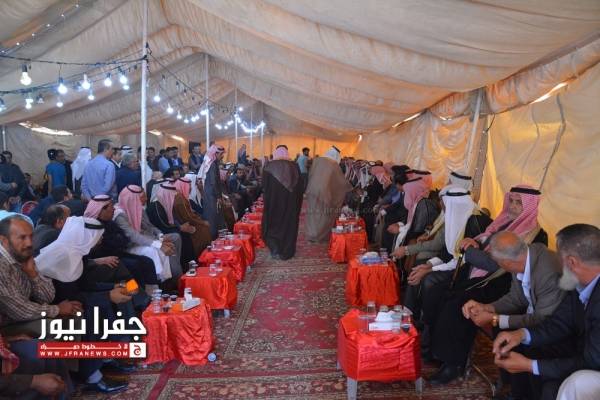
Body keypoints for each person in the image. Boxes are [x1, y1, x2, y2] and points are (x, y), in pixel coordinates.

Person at [428, 231, 564, 387]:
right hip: (537, 316)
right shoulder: (522, 258)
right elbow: (516, 298)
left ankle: (519, 390)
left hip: (556, 328)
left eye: (499, 263)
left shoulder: (547, 272)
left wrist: (494, 318)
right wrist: (487, 307)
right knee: (502, 330)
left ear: (506, 262)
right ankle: (510, 385)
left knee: (508, 333)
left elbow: (542, 320)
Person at [493, 224, 600, 400]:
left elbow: (591, 362)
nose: (557, 263)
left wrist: (530, 365)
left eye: (559, 257)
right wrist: (521, 334)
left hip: (592, 366)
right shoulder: (579, 283)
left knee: (552, 385)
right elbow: (559, 323)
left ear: (572, 262)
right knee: (532, 349)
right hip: (584, 350)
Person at [112, 187, 182, 282]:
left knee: (174, 238)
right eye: (143, 197)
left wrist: (160, 236)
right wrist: (159, 244)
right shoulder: (120, 215)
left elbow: (150, 227)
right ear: (133, 199)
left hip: (147, 239)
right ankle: (163, 279)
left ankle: (175, 274)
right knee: (154, 250)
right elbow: (134, 236)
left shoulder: (139, 209)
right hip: (132, 245)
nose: (146, 199)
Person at [262, 146, 304, 260]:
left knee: (274, 224)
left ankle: (275, 248)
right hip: (291, 203)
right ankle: (287, 251)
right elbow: (300, 186)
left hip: (274, 203)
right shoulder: (294, 166)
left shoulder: (269, 166)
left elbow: (264, 186)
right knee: (289, 225)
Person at [306, 146, 352, 243]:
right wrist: (349, 187)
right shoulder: (333, 164)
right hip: (325, 193)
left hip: (312, 190)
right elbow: (340, 182)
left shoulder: (317, 160)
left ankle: (311, 234)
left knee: (313, 213)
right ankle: (319, 236)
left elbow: (310, 174)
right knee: (323, 215)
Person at [173, 178, 212, 256]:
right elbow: (188, 217)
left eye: (190, 185)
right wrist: (202, 222)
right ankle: (202, 255)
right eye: (189, 186)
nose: (190, 188)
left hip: (189, 222)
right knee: (204, 229)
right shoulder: (180, 199)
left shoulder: (182, 197)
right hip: (187, 224)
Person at [198, 144, 227, 239]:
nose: (222, 156)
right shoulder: (212, 165)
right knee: (213, 218)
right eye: (221, 154)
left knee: (214, 217)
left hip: (210, 193)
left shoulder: (211, 163)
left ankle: (215, 239)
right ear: (215, 154)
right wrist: (218, 197)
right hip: (212, 195)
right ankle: (213, 240)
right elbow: (214, 182)